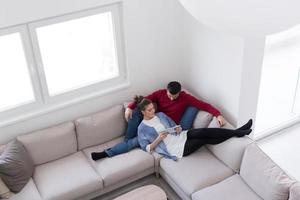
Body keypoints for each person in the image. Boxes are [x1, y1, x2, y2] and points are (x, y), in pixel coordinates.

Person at [91, 81, 226, 161]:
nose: (172, 99)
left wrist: (218, 115)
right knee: (132, 141)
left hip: (174, 126)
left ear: (180, 92)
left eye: (175, 96)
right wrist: (129, 107)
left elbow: (204, 105)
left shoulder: (185, 97)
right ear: (166, 90)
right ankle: (106, 153)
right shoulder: (160, 94)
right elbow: (143, 100)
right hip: (158, 125)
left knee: (194, 106)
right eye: (169, 95)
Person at [137, 98, 252, 160]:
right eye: (149, 110)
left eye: (153, 108)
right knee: (204, 139)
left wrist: (177, 128)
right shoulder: (142, 128)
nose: (153, 112)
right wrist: (158, 139)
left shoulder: (160, 115)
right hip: (175, 149)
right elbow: (145, 147)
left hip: (181, 136)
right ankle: (238, 133)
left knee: (203, 131)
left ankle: (238, 131)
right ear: (143, 112)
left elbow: (174, 126)